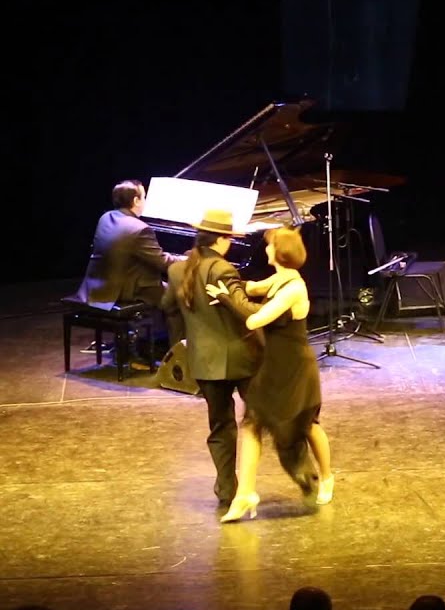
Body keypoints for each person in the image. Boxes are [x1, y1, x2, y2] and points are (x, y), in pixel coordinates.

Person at [206, 226, 329, 522]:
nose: (266, 248)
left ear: (278, 253)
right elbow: (250, 288)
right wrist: (230, 286)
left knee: (307, 425)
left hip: (297, 369)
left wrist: (225, 299)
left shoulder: (294, 288)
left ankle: (327, 476)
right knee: (252, 423)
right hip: (274, 366)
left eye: (271, 245)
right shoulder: (279, 279)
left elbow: (255, 319)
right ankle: (246, 492)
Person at [161, 209, 263, 514]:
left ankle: (226, 488)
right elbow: (244, 312)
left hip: (204, 362)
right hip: (242, 359)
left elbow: (168, 306)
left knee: (220, 426)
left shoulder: (178, 269)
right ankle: (303, 473)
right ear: (221, 239)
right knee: (262, 418)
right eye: (229, 237)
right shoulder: (223, 269)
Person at [71, 179, 185, 355]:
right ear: (136, 201)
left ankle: (151, 342)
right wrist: (188, 259)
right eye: (144, 197)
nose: (145, 202)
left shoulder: (106, 218)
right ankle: (177, 355)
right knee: (177, 298)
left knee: (164, 289)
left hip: (98, 287)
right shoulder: (140, 228)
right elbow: (163, 262)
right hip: (124, 290)